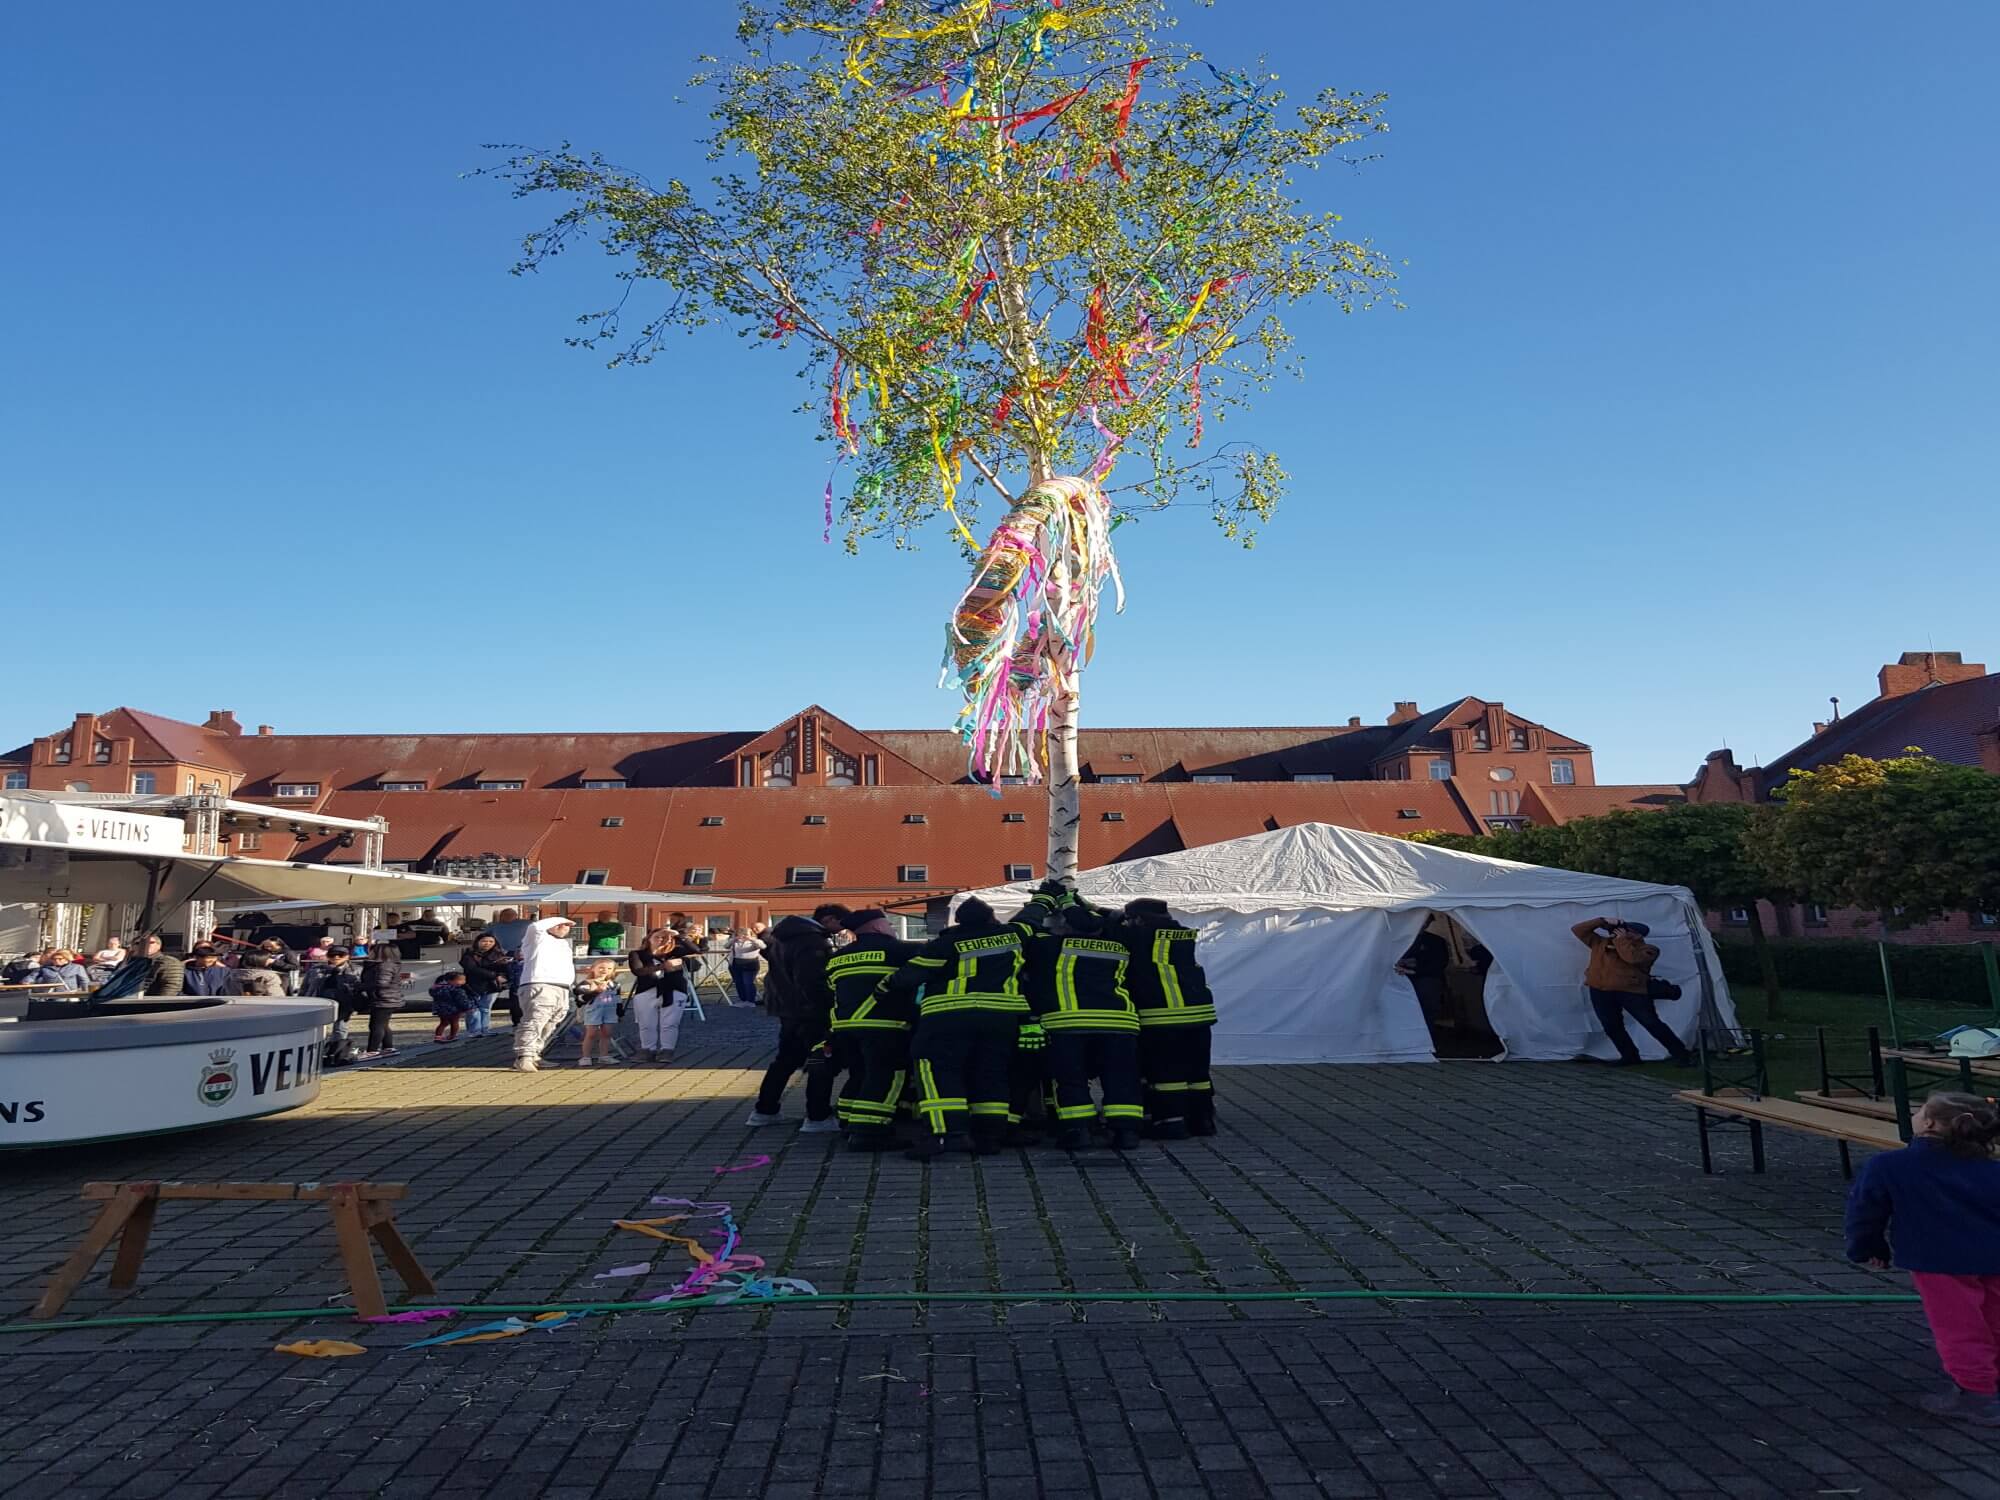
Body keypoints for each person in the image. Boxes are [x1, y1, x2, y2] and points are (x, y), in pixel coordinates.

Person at [1846, 1092, 2000, 1426]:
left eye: (1920, 1111)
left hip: (1939, 1261)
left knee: (1959, 1327)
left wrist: (1867, 1247)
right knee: (1993, 1320)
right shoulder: (1991, 1170)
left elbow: (1865, 1212)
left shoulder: (1889, 1166)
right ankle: (1991, 1382)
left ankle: (1978, 1394)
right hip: (1993, 1257)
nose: (1915, 1114)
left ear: (1929, 1123)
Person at [875, 894, 1052, 1159]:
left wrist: (882, 988)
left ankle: (945, 1135)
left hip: (948, 1017)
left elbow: (907, 977)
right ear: (991, 917)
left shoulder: (946, 943)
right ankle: (990, 1136)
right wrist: (1046, 895)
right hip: (1000, 1018)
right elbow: (1031, 918)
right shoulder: (1013, 935)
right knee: (991, 1073)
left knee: (938, 1071)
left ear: (959, 921)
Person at [1024, 896, 1144, 1150]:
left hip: (1069, 1023)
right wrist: (1085, 905)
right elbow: (1120, 920)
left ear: (1067, 926)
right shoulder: (1121, 944)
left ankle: (1078, 1131)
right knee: (1120, 1077)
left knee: (1071, 1078)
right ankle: (1126, 1132)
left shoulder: (1051, 946)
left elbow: (1024, 931)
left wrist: (1046, 899)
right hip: (1119, 1022)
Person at [1093, 898, 1218, 1139]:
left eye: (1130, 919)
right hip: (1200, 1014)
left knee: (1166, 1074)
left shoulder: (1137, 936)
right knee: (1197, 1072)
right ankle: (1202, 1121)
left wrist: (1076, 906)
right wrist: (1098, 908)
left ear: (1139, 920)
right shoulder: (1182, 933)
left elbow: (1107, 928)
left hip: (1162, 1016)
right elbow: (1122, 922)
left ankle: (1171, 1123)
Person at [824, 910, 923, 1149]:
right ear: (877, 926)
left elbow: (829, 989)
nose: (892, 928)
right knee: (885, 1076)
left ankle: (848, 1122)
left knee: (859, 1073)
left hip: (844, 1027)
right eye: (888, 924)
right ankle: (869, 1132)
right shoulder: (900, 951)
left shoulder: (838, 957)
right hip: (884, 1025)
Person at [747, 916, 837, 1129]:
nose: (842, 929)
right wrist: (827, 1005)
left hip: (788, 1011)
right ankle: (818, 1116)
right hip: (812, 1013)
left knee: (785, 1061)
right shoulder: (813, 942)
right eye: (840, 923)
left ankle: (764, 1110)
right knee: (820, 1061)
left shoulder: (782, 940)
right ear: (828, 919)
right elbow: (812, 980)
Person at [1571, 916, 1693, 1067]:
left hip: (1632, 992)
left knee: (1651, 1023)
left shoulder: (1649, 950)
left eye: (1623, 930)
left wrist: (1622, 940)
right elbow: (1578, 929)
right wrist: (1601, 921)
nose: (1616, 932)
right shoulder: (1600, 943)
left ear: (1637, 935)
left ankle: (1682, 1055)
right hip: (1601, 991)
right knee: (1611, 1026)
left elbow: (1631, 958)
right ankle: (1629, 1056)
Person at [512, 916, 578, 1072]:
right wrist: (558, 919)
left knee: (552, 1021)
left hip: (561, 986)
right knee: (536, 1019)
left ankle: (535, 1053)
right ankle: (524, 1055)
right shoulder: (536, 938)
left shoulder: (563, 944)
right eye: (560, 925)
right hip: (539, 983)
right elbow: (535, 927)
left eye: (567, 925)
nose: (564, 927)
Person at [629, 927, 698, 1063]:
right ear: (649, 938)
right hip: (647, 990)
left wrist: (678, 935)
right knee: (646, 1023)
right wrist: (663, 966)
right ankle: (648, 1049)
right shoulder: (638, 954)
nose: (661, 940)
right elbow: (638, 971)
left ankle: (667, 1050)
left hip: (673, 989)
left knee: (670, 1023)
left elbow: (696, 950)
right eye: (658, 937)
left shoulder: (676, 952)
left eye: (665, 937)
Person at [303, 946, 364, 1064]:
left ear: (347, 957)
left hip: (344, 1002)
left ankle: (337, 1052)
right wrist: (303, 1000)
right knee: (318, 1027)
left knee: (340, 1028)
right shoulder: (316, 969)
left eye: (340, 955)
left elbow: (359, 987)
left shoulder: (356, 970)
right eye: (332, 955)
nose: (336, 957)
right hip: (320, 1000)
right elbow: (306, 986)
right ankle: (317, 1050)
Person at [359, 932, 407, 1057]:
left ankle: (372, 1050)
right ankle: (388, 1047)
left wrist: (361, 987)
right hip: (388, 997)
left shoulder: (384, 966)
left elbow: (381, 982)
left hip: (383, 998)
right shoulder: (389, 965)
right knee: (383, 1024)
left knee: (376, 1025)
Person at [1395, 921, 1451, 1026]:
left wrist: (1413, 968)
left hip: (1427, 982)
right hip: (1404, 981)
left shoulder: (1435, 941)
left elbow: (1439, 964)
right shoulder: (1401, 940)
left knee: (1426, 1012)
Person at [459, 932, 513, 1035]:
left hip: (492, 986)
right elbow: (471, 968)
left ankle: (485, 1030)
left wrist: (503, 975)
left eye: (490, 941)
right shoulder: (469, 954)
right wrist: (494, 975)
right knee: (473, 1009)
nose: (487, 943)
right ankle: (474, 1031)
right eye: (484, 941)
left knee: (485, 1008)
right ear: (478, 942)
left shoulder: (499, 954)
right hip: (473, 984)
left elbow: (504, 969)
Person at [574, 959, 624, 1067]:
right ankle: (586, 1057)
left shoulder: (615, 984)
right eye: (601, 968)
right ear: (593, 969)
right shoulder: (586, 984)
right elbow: (580, 1000)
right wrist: (596, 991)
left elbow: (618, 999)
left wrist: (620, 1013)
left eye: (609, 968)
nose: (605, 970)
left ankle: (604, 1056)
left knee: (606, 1033)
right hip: (593, 1011)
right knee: (591, 1034)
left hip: (609, 1010)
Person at [429, 969, 476, 1041]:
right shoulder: (457, 990)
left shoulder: (437, 989)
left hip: (441, 1009)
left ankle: (438, 1036)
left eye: (464, 980)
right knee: (454, 1022)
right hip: (454, 1009)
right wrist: (469, 1007)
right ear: (450, 981)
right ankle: (452, 1036)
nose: (463, 982)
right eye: (461, 980)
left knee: (443, 1023)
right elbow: (462, 1000)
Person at [727, 926, 766, 1007]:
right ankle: (743, 1000)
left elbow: (763, 946)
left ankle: (751, 1001)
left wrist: (751, 939)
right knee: (739, 983)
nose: (743, 936)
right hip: (736, 964)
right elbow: (726, 946)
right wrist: (733, 939)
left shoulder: (756, 941)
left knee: (748, 982)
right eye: (741, 934)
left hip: (750, 964)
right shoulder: (735, 942)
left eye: (745, 934)